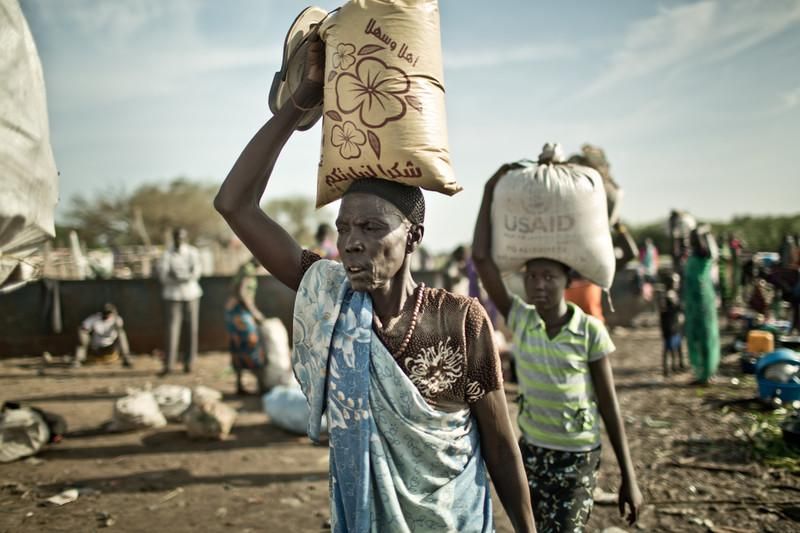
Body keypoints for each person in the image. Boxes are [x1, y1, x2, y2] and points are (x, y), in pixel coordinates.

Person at [214, 30, 535, 533]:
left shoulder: (460, 319)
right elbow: (234, 204)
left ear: (413, 236)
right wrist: (301, 102)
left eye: (371, 227)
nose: (351, 243)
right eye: (343, 228)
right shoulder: (331, 296)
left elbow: (499, 443)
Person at [472, 164, 642, 532]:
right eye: (532, 276)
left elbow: (609, 405)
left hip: (577, 458)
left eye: (548, 276)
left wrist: (629, 477)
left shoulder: (590, 331)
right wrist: (489, 188)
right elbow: (482, 259)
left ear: (568, 280)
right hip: (531, 453)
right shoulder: (521, 319)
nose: (538, 285)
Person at [158, 227, 203, 375]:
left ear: (185, 238)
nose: (179, 240)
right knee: (172, 330)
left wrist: (185, 277)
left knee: (192, 329)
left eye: (182, 237)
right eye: (177, 237)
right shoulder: (166, 254)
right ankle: (169, 364)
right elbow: (163, 275)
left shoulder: (192, 252)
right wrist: (175, 278)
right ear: (173, 238)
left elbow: (196, 272)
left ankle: (189, 363)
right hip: (173, 295)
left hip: (191, 294)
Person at [683, 226, 721, 385]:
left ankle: (706, 373)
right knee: (698, 337)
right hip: (696, 302)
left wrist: (700, 231)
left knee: (704, 337)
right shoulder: (696, 257)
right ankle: (702, 372)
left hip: (702, 301)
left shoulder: (703, 256)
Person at [225, 257, 268, 395]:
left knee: (237, 347)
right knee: (253, 345)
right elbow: (242, 293)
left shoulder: (243, 268)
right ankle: (261, 386)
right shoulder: (249, 270)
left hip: (232, 312)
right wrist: (255, 313)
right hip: (240, 313)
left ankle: (240, 385)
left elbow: (233, 289)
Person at [73, 303, 132, 368]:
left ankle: (126, 359)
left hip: (111, 348)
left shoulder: (117, 319)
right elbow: (83, 328)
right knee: (83, 337)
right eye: (105, 312)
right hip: (96, 348)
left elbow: (119, 328)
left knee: (121, 334)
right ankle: (78, 360)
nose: (107, 314)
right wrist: (83, 336)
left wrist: (116, 321)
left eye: (109, 312)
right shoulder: (95, 318)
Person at [658, 273, 684, 376]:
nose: (677, 284)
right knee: (668, 347)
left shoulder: (675, 295)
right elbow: (664, 312)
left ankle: (676, 366)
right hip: (669, 325)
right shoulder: (665, 297)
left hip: (676, 324)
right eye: (675, 282)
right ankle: (666, 369)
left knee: (677, 345)